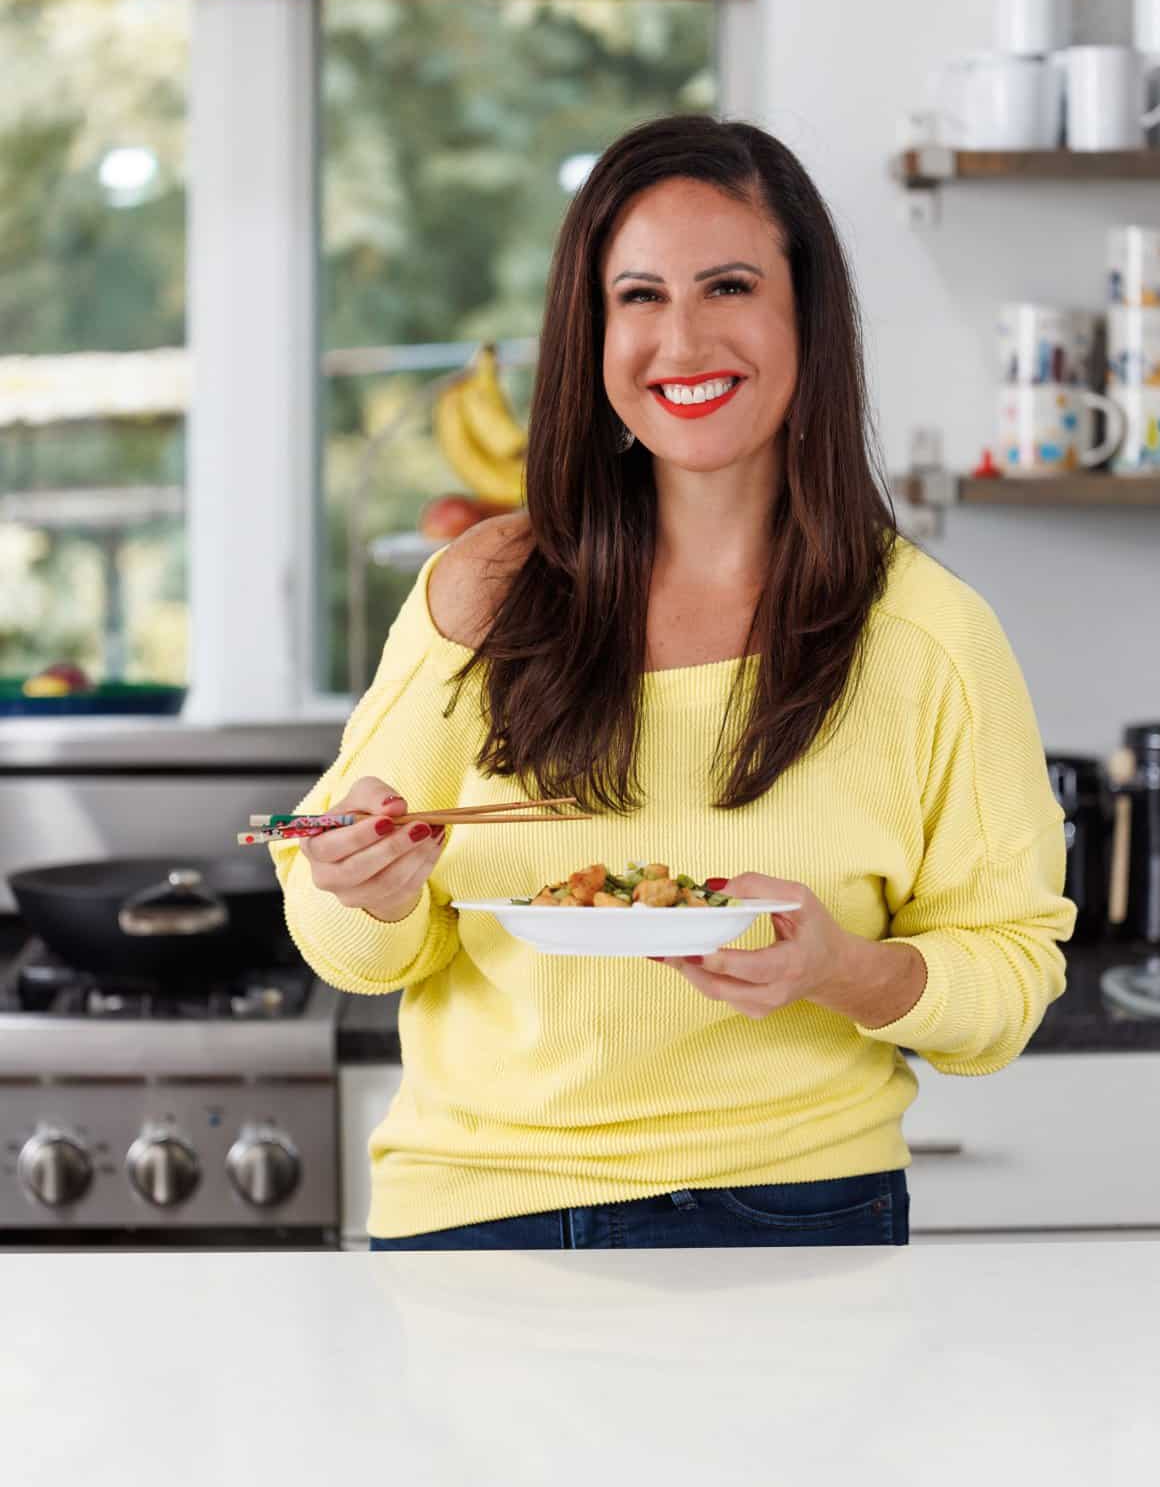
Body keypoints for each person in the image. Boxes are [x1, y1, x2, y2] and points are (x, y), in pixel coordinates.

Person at [269, 114, 1075, 1251]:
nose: (682, 340)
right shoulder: (484, 591)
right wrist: (369, 887)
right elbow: (340, 929)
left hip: (798, 1209)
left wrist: (842, 968)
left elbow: (1007, 971)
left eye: (729, 285)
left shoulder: (926, 634)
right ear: (592, 329)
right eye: (639, 295)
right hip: (483, 1211)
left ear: (807, 312)